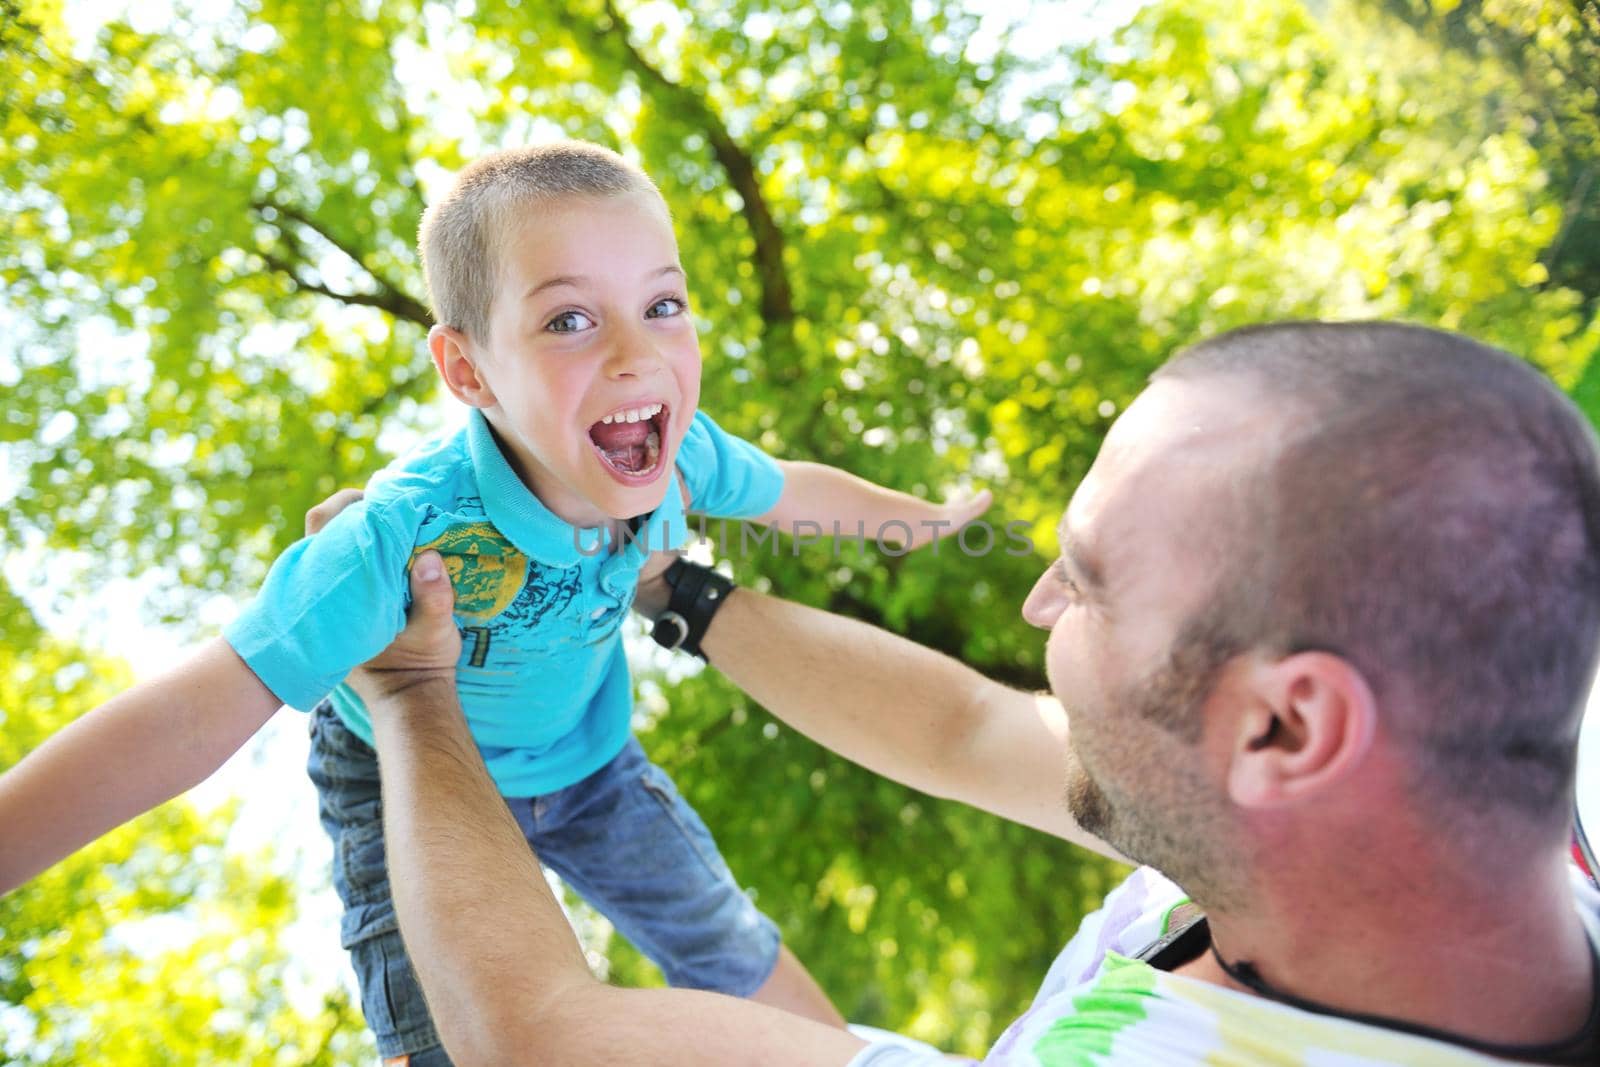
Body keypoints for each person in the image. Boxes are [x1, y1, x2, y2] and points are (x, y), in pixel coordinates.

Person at [341, 321, 1600, 1065]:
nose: (1040, 601)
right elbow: (968, 725)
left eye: (1093, 582)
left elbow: (539, 1031)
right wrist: (674, 589)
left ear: (1282, 726)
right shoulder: (1384, 835)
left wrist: (409, 689)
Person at [0, 141, 993, 1064]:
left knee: (726, 940)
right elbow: (188, 716)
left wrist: (924, 517)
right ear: (468, 368)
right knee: (448, 1035)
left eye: (663, 304)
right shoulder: (398, 536)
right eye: (568, 318)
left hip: (587, 760)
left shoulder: (680, 452)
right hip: (395, 769)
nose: (635, 354)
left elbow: (794, 491)